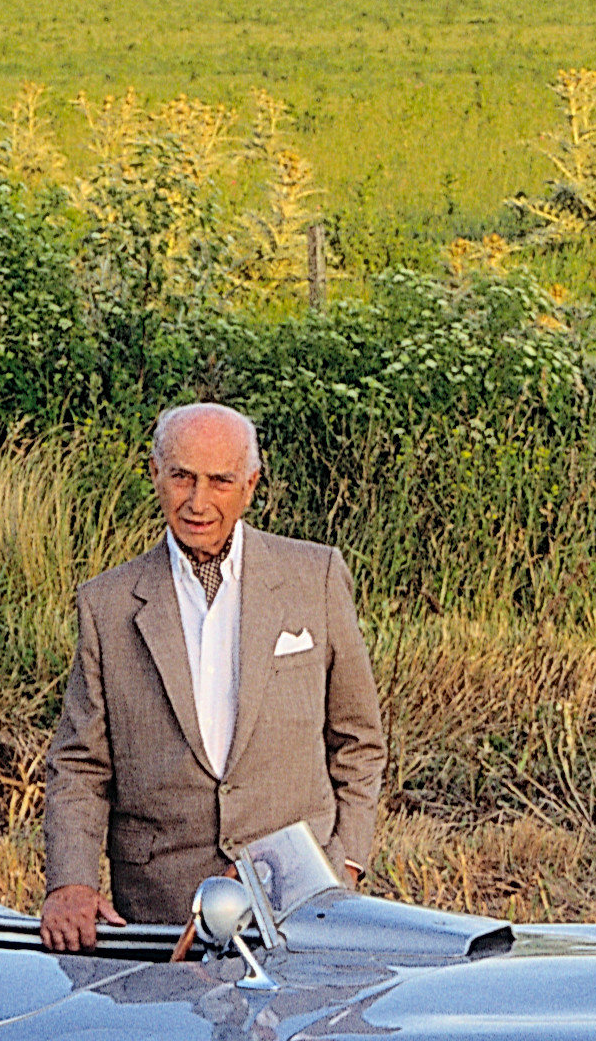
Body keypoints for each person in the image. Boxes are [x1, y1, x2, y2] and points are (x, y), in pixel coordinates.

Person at [38, 402, 383, 951]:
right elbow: (80, 764)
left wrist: (344, 864)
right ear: (154, 474)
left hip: (299, 903)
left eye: (220, 481)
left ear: (250, 483)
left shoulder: (313, 577)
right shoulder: (105, 605)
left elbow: (358, 741)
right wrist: (72, 881)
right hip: (158, 915)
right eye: (182, 477)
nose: (198, 502)